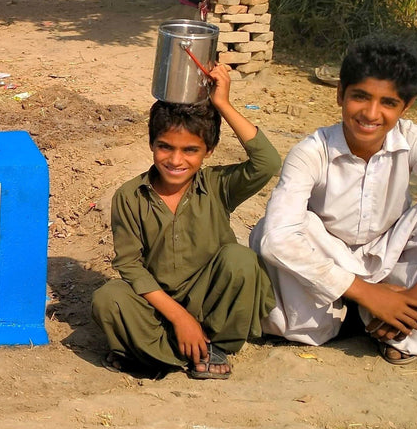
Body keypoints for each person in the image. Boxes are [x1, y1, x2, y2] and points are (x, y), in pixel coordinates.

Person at [91, 65, 280, 379]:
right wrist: (179, 317)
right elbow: (130, 265)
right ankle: (187, 351)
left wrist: (223, 104)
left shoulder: (219, 185)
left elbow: (268, 163)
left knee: (241, 260)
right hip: (157, 305)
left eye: (190, 150)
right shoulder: (129, 196)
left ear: (209, 150)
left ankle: (207, 346)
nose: (176, 160)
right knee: (108, 298)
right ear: (152, 144)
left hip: (211, 305)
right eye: (165, 147)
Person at [252, 38, 417, 364]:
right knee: (281, 229)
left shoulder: (410, 139)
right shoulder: (312, 151)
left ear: (406, 106)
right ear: (340, 93)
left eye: (388, 102)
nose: (371, 114)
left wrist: (412, 300)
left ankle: (397, 319)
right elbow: (277, 240)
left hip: (389, 256)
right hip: (329, 257)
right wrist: (369, 294)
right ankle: (366, 313)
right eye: (361, 97)